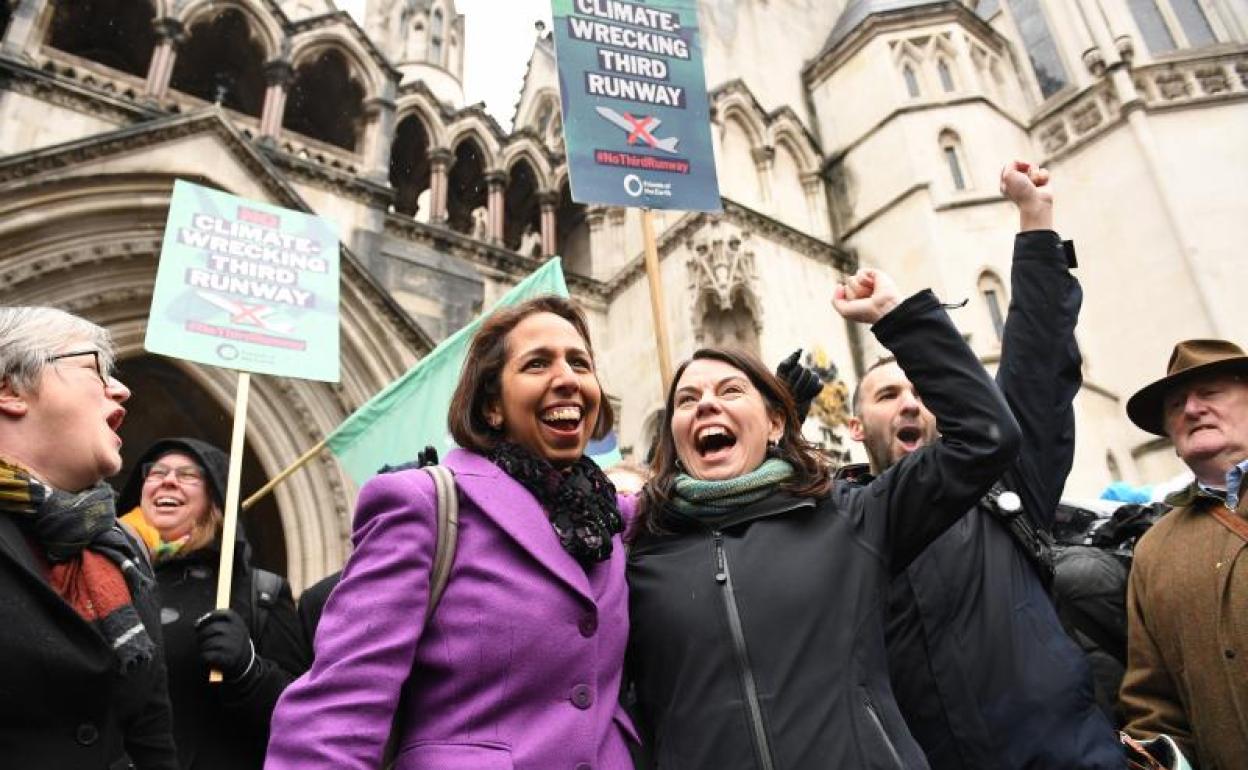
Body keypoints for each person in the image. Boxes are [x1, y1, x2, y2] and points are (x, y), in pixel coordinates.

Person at [626, 268, 1022, 768]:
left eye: (730, 391)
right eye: (686, 400)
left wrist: (903, 322)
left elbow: (987, 437)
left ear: (775, 422)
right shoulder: (639, 558)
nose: (705, 403)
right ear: (674, 438)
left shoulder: (850, 516)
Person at [266, 295, 637, 770]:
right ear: (492, 406)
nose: (567, 378)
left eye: (580, 363)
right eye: (537, 363)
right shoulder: (423, 505)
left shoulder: (614, 520)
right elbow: (339, 711)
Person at [843, 162, 1119, 767]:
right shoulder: (843, 529)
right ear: (856, 427)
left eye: (920, 388)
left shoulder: (1004, 490)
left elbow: (1038, 363)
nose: (910, 400)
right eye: (887, 396)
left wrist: (1036, 221)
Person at [0, 307, 177, 769]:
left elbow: (150, 736)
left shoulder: (119, 550)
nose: (121, 388)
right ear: (10, 389)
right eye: (95, 368)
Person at [116, 437, 307, 770]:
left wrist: (249, 671)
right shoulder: (100, 575)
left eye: (189, 474)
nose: (168, 480)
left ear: (216, 499)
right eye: (156, 472)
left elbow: (305, 716)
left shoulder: (258, 591)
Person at [1119, 338, 1248, 769]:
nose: (1192, 409)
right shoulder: (1154, 550)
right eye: (1176, 405)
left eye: (1210, 393)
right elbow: (1153, 704)